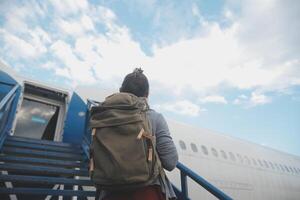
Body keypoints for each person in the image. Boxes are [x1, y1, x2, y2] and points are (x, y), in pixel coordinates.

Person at [97, 68, 178, 200]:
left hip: (109, 192)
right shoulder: (154, 117)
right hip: (146, 192)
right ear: (147, 94)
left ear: (120, 91)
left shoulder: (102, 117)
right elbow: (171, 162)